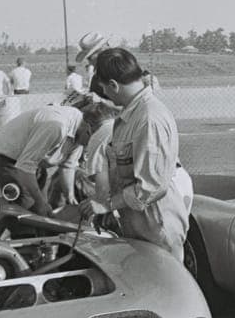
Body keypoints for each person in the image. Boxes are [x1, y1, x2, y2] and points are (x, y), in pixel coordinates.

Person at [80, 47, 188, 262]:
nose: (106, 96)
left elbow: (152, 186)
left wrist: (106, 205)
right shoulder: (133, 114)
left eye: (104, 89)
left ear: (113, 85)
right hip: (140, 221)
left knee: (163, 287)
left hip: (156, 225)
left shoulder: (149, 118)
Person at [0, 104, 84, 215]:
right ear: (88, 129)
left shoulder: (81, 133)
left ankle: (39, 230)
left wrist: (70, 197)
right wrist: (40, 202)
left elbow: (68, 166)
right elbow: (25, 167)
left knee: (42, 211)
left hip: (34, 163)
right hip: (9, 159)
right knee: (28, 209)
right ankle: (24, 232)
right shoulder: (56, 127)